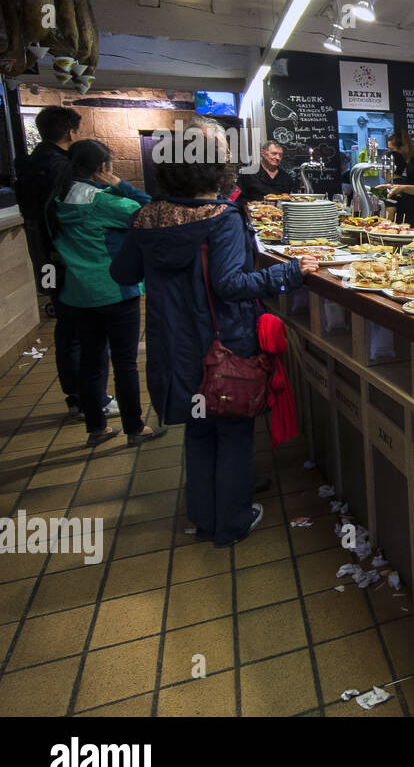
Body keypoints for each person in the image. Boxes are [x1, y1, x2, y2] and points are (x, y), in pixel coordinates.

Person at [110, 153, 319, 546]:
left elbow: (123, 273)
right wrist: (289, 271)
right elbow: (231, 284)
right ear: (216, 173)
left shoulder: (147, 218)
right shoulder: (222, 217)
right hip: (223, 342)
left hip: (173, 343)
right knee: (235, 431)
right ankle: (233, 522)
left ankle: (204, 519)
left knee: (199, 429)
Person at [50, 141, 162, 447]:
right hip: (114, 289)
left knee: (91, 359)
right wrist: (120, 184)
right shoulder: (104, 202)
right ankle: (134, 428)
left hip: (77, 293)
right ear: (103, 168)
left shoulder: (60, 197)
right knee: (125, 362)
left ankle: (96, 428)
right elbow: (150, 208)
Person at [16, 105, 110, 419]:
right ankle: (87, 399)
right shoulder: (62, 166)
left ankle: (76, 397)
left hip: (43, 256)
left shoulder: (28, 164)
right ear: (70, 132)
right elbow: (68, 216)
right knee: (81, 328)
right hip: (66, 258)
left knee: (66, 326)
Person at [385, 130, 414, 228]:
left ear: (402, 148)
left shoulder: (413, 166)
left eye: (391, 149)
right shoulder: (406, 165)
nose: (390, 153)